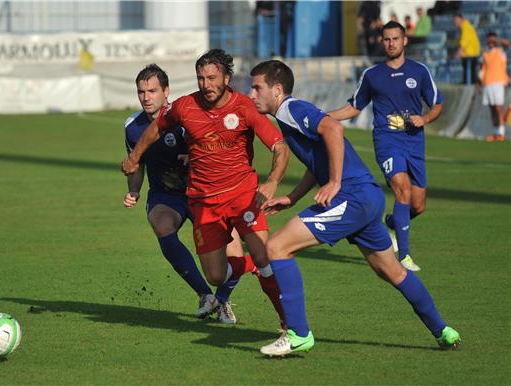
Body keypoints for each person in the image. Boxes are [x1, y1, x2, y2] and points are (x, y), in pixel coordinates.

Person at [248, 59, 461, 357]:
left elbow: (333, 128)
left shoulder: (290, 108)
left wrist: (335, 182)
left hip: (352, 196)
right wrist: (293, 197)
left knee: (276, 248)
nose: (252, 93)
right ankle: (444, 330)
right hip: (368, 197)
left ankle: (298, 334)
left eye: (257, 87)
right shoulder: (287, 116)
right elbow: (317, 159)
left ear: (277, 89)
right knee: (392, 271)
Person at [122, 49, 290, 329]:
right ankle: (234, 279)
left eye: (212, 78)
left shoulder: (245, 108)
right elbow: (154, 130)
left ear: (226, 77)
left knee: (263, 257)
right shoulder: (185, 106)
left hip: (242, 195)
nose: (206, 84)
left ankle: (289, 322)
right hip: (204, 202)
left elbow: (279, 148)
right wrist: (135, 157)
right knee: (215, 275)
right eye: (201, 78)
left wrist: (272, 181)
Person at [124, 64, 250, 323]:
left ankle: (223, 300)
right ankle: (206, 296)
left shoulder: (186, 117)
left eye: (152, 91)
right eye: (141, 92)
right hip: (165, 195)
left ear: (166, 91)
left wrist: (193, 156)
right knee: (161, 223)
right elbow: (136, 163)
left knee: (235, 250)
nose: (146, 97)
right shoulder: (132, 127)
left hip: (204, 193)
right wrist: (134, 190)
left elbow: (217, 149)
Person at [329, 21, 444, 272]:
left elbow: (437, 104)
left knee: (418, 205)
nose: (391, 43)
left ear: (405, 41)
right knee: (401, 189)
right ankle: (403, 257)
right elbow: (354, 107)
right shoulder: (372, 75)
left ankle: (392, 222)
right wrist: (323, 116)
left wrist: (424, 119)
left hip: (414, 142)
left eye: (395, 39)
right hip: (387, 141)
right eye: (386, 39)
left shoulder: (420, 71)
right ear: (382, 42)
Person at [480, 32, 509, 142]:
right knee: (492, 109)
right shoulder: (485, 53)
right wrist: (480, 83)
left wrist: (497, 40)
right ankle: (495, 133)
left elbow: (507, 44)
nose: (491, 42)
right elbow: (483, 69)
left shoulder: (501, 51)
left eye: (492, 40)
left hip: (498, 83)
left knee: (498, 108)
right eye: (489, 40)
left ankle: (501, 133)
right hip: (487, 84)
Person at [454, 14, 480, 85]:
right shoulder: (466, 27)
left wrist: (459, 52)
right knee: (471, 74)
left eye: (457, 21)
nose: (455, 23)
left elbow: (464, 41)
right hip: (470, 54)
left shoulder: (465, 27)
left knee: (470, 75)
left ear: (461, 19)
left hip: (470, 55)